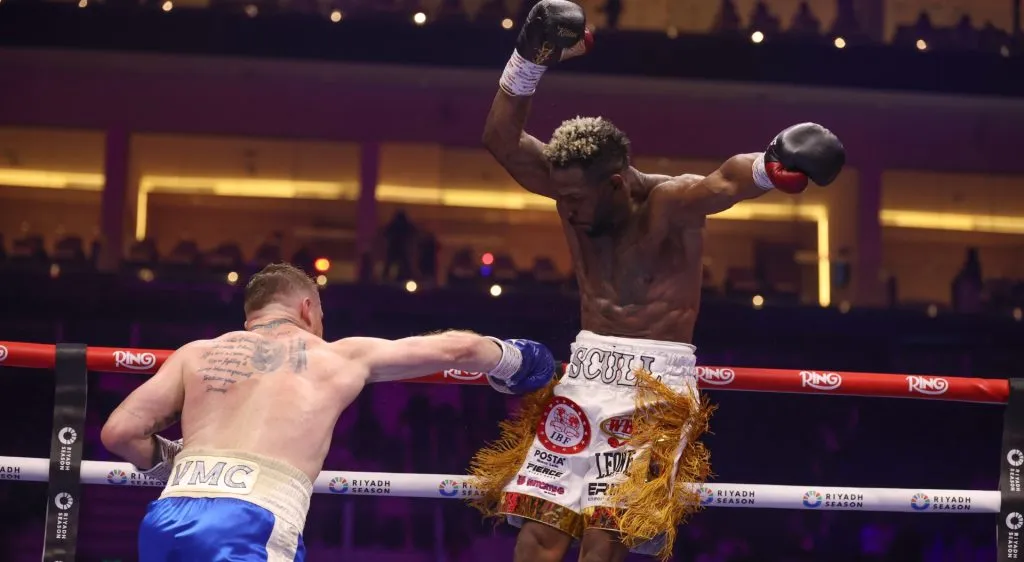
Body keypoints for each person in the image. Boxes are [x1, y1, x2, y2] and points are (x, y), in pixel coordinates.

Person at [467, 2, 847, 561]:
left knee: (606, 543)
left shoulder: (669, 204)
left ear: (616, 184)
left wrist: (771, 166)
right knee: (539, 537)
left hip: (655, 385)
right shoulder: (571, 191)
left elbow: (724, 180)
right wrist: (528, 59)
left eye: (575, 198)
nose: (565, 209)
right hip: (587, 370)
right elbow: (501, 140)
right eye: (561, 195)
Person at [100, 262, 557, 562]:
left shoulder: (198, 352)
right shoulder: (338, 355)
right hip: (251, 522)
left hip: (167, 518)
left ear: (250, 318)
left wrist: (180, 460)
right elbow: (459, 347)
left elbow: (120, 432)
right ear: (307, 308)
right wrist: (519, 362)